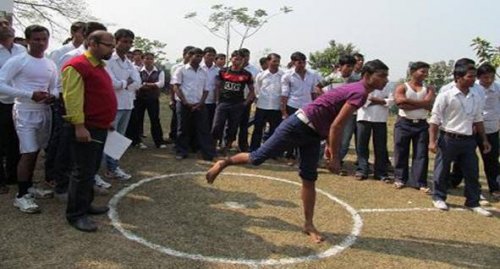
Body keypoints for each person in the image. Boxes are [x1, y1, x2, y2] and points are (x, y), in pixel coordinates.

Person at [206, 60, 389, 243]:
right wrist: (334, 158)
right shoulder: (359, 92)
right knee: (257, 157)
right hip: (298, 125)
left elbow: (334, 122)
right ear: (367, 75)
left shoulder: (358, 90)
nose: (385, 80)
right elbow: (337, 126)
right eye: (381, 76)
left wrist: (328, 147)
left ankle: (308, 224)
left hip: (314, 134)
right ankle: (224, 162)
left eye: (386, 76)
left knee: (309, 179)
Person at [62, 30, 117, 231]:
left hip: (99, 126)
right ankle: (76, 215)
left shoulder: (100, 66)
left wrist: (108, 120)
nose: (112, 49)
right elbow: (72, 99)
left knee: (91, 169)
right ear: (92, 43)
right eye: (108, 45)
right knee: (82, 171)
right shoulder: (77, 66)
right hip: (86, 128)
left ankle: (86, 205)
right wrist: (79, 125)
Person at [0, 25, 58, 213]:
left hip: (44, 111)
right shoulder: (19, 61)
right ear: (27, 41)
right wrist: (28, 94)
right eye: (36, 39)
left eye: (44, 39)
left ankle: (29, 185)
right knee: (28, 151)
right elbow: (1, 84)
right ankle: (21, 195)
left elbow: (55, 86)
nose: (41, 43)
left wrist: (52, 96)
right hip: (24, 111)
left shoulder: (50, 63)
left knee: (36, 151)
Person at [429, 64, 492, 217]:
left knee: (472, 171)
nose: (473, 80)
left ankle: (473, 202)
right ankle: (438, 197)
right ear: (458, 78)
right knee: (442, 170)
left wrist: (484, 140)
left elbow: (478, 119)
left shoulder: (475, 96)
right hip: (448, 138)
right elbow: (435, 119)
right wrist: (432, 141)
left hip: (468, 140)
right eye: (470, 76)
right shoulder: (446, 95)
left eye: (474, 76)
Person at [104, 28, 141, 180]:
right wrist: (126, 83)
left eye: (130, 42)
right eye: (124, 41)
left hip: (127, 103)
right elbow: (111, 83)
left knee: (118, 139)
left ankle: (113, 168)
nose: (128, 45)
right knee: (108, 138)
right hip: (113, 105)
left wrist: (124, 84)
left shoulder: (129, 62)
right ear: (116, 41)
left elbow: (138, 82)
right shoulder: (108, 60)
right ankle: (102, 170)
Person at [393, 62, 435, 192]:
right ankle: (400, 178)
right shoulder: (402, 87)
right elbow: (400, 103)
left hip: (422, 124)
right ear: (412, 72)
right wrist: (422, 104)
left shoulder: (429, 88)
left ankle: (420, 181)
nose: (425, 74)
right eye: (422, 71)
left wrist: (409, 102)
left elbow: (429, 103)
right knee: (401, 151)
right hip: (404, 123)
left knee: (421, 153)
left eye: (426, 72)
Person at [172, 47, 215, 160]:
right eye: (197, 56)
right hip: (183, 104)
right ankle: (181, 151)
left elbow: (206, 89)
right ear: (190, 56)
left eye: (201, 56)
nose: (199, 58)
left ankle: (207, 153)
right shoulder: (181, 70)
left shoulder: (204, 72)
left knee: (203, 129)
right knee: (182, 128)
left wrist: (200, 103)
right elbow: (176, 86)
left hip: (199, 105)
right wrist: (185, 102)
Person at [0, 17, 26, 194]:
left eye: (7, 24)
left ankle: (13, 175)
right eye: (1, 25)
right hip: (0, 101)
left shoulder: (22, 50)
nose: (5, 27)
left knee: (15, 140)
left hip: (18, 102)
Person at [212, 49, 255, 155]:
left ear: (243, 60)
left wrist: (245, 103)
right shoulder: (223, 72)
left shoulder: (247, 74)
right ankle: (213, 146)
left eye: (240, 59)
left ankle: (226, 147)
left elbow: (252, 91)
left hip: (237, 104)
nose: (237, 61)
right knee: (217, 125)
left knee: (233, 127)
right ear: (231, 59)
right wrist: (217, 100)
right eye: (235, 59)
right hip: (223, 103)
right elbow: (217, 87)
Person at [280, 52, 321, 164]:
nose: (302, 64)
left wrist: (316, 106)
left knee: (306, 132)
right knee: (292, 132)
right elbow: (284, 94)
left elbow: (313, 92)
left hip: (308, 107)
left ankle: (302, 157)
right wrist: (284, 111)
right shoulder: (287, 75)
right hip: (292, 106)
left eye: (304, 62)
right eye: (299, 62)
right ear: (293, 62)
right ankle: (290, 155)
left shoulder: (312, 75)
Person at [355, 82, 393, 181]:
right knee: (362, 145)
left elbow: (391, 101)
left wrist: (374, 100)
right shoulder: (364, 85)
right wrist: (382, 101)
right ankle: (362, 170)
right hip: (364, 117)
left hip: (381, 119)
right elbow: (363, 101)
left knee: (380, 146)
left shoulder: (387, 85)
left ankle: (380, 172)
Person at [127, 52, 166, 149]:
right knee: (138, 120)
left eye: (151, 59)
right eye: (146, 59)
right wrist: (152, 85)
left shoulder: (159, 71)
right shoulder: (138, 71)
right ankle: (137, 141)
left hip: (153, 99)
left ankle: (159, 141)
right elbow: (137, 84)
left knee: (155, 119)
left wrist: (146, 85)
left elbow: (161, 83)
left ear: (154, 60)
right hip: (139, 99)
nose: (148, 61)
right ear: (142, 59)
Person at [473, 63, 500, 199]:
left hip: (492, 129)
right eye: (485, 78)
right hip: (473, 129)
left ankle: (495, 187)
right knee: (468, 159)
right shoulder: (474, 89)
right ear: (479, 77)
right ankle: (455, 181)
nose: (488, 80)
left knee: (492, 160)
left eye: (491, 77)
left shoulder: (498, 89)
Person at [249, 53, 284, 152]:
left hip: (276, 107)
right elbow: (257, 89)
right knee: (258, 129)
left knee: (274, 130)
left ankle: (271, 151)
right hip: (262, 106)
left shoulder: (283, 75)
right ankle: (254, 149)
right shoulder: (261, 75)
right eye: (274, 61)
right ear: (268, 61)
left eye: (278, 61)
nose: (276, 63)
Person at [236, 48, 260, 152]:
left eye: (247, 56)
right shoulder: (232, 69)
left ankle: (243, 145)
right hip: (233, 100)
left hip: (246, 100)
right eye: (243, 56)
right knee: (231, 124)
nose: (245, 58)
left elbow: (256, 87)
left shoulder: (255, 70)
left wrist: (251, 99)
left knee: (244, 124)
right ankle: (227, 143)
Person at [201, 46, 219, 129]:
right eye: (209, 55)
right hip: (199, 100)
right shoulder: (199, 68)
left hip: (212, 101)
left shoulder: (218, 70)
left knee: (210, 123)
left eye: (213, 55)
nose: (211, 57)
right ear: (204, 56)